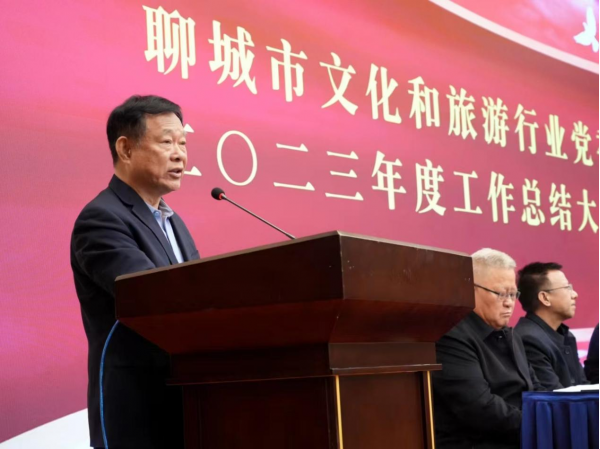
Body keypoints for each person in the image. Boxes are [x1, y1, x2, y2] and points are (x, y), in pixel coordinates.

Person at [71, 95, 199, 448]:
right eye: (167, 142)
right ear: (125, 149)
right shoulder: (102, 218)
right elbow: (151, 298)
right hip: (136, 408)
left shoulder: (174, 222)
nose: (180, 155)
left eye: (183, 143)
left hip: (185, 401)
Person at [433, 248, 542, 449]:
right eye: (500, 294)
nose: (509, 303)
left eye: (513, 294)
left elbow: (535, 387)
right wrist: (539, 426)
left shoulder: (511, 335)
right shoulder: (451, 337)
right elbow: (479, 408)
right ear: (470, 290)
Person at [515, 262, 587, 390]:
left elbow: (582, 386)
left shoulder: (566, 335)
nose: (575, 295)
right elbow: (553, 395)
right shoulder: (529, 340)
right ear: (545, 298)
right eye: (567, 288)